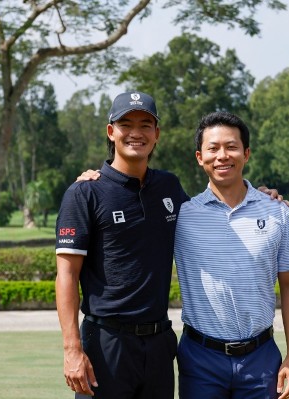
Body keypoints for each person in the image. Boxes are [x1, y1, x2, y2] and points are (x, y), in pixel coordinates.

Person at [55, 91, 188, 399]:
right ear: (111, 131)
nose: (136, 133)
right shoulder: (85, 193)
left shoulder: (169, 186)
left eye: (145, 124)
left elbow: (213, 216)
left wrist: (257, 195)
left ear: (157, 134)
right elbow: (66, 275)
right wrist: (72, 349)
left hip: (159, 343)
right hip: (106, 342)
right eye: (126, 124)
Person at [174, 111, 289, 399]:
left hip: (260, 359)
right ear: (200, 157)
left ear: (246, 153)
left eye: (231, 147)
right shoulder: (182, 215)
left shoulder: (277, 211)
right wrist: (97, 175)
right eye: (213, 148)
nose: (222, 155)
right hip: (200, 358)